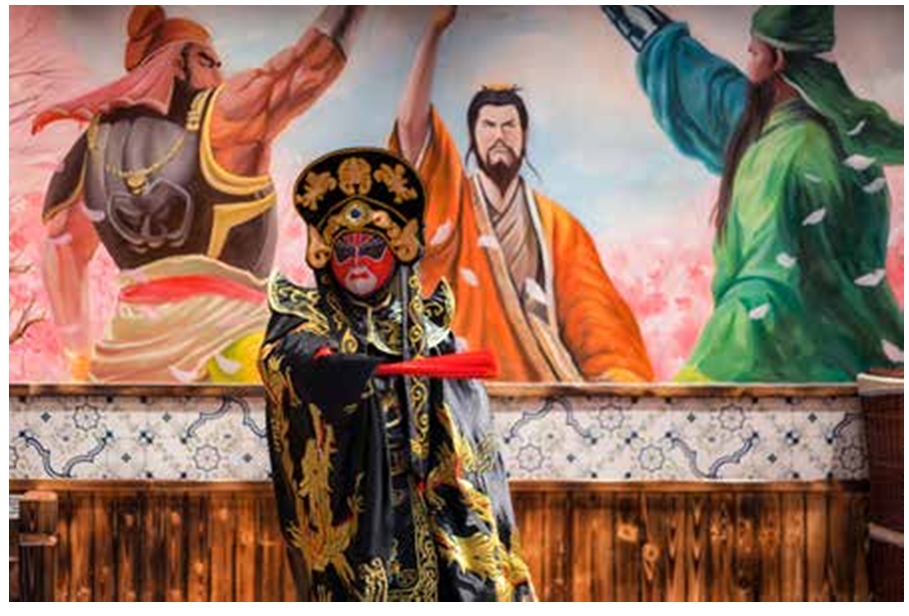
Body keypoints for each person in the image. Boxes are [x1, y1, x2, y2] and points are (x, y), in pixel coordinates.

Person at [259, 147, 535, 601]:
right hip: (358, 516)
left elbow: (470, 442)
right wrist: (335, 369)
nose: (357, 260)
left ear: (397, 250)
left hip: (430, 509)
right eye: (344, 249)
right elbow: (285, 360)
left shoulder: (433, 334)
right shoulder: (307, 320)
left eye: (371, 248)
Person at [33, 5, 364, 383]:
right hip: (229, 352)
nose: (220, 74)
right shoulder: (222, 116)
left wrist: (78, 352)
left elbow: (62, 247)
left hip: (123, 365)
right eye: (207, 61)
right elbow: (306, 68)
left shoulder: (94, 142)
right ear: (176, 64)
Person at [602, 5, 904, 381]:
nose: (748, 64)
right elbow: (719, 95)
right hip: (862, 355)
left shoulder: (782, 153)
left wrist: (698, 377)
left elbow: (767, 286)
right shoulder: (848, 143)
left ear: (775, 60)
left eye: (753, 53)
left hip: (790, 366)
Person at [391, 7, 654, 383]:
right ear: (473, 136)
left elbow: (597, 321)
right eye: (488, 125)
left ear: (525, 136)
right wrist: (432, 35)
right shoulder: (452, 203)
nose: (499, 135)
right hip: (460, 385)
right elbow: (410, 128)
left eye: (509, 126)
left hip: (539, 390)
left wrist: (616, 379)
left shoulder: (558, 228)